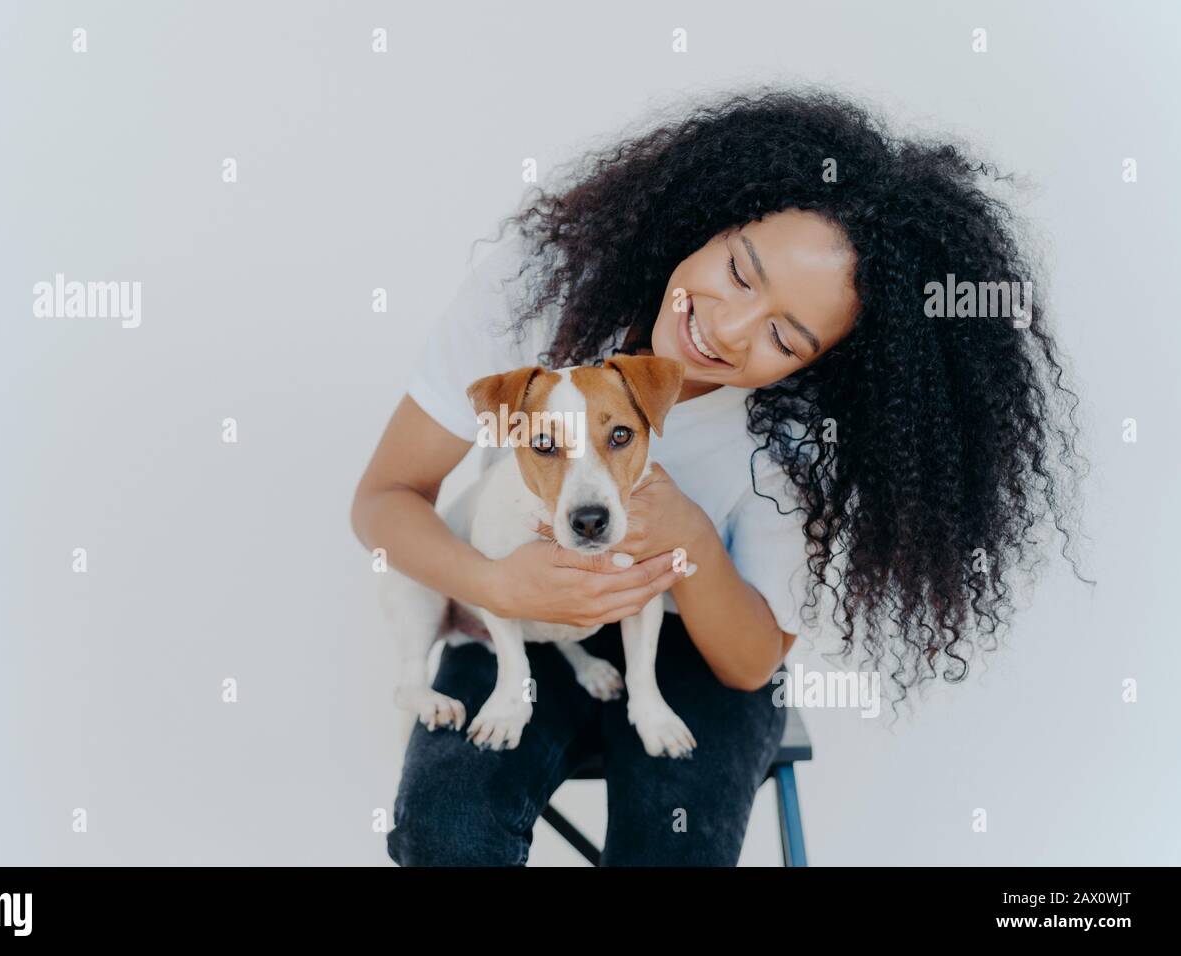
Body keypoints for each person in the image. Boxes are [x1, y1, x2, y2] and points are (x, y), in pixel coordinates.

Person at [350, 87, 1089, 866]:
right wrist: (495, 587)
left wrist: (689, 535)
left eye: (784, 335)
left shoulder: (805, 430)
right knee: (447, 831)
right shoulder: (542, 286)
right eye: (739, 271)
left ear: (826, 364)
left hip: (696, 640)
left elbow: (749, 661)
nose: (725, 329)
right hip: (516, 610)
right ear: (710, 211)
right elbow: (383, 499)